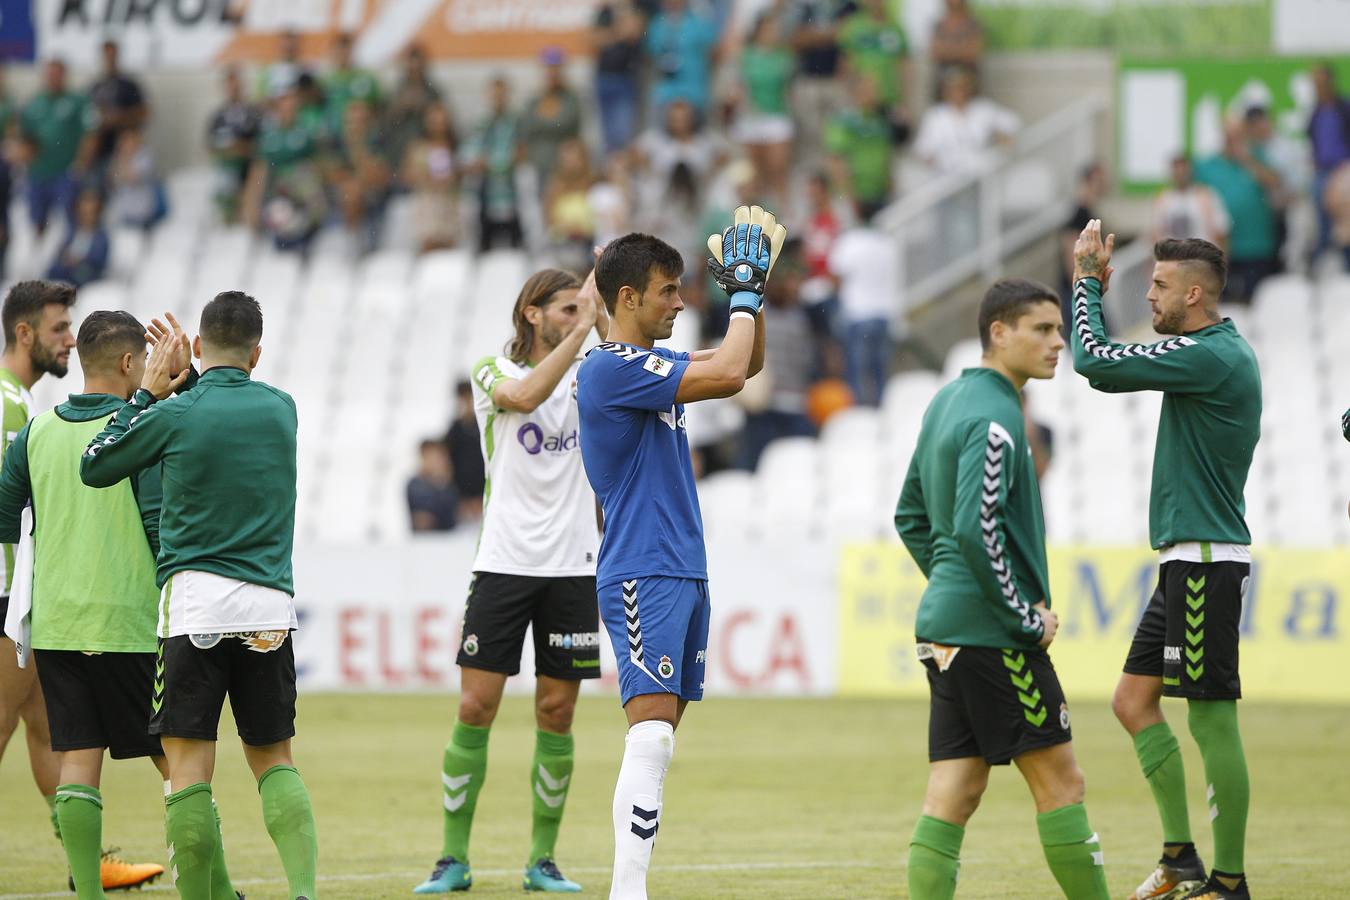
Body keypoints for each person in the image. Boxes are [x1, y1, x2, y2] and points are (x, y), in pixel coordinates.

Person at [80, 295, 318, 900]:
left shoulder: (176, 414)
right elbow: (230, 406)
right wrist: (196, 380)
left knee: (189, 772)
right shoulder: (282, 409)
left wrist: (153, 391)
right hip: (268, 608)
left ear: (199, 349)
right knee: (275, 760)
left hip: (195, 607)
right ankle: (305, 894)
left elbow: (97, 465)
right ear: (257, 353)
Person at [576, 211, 783, 899]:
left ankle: (631, 885)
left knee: (657, 744)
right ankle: (626, 892)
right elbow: (728, 371)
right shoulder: (609, 367)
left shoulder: (648, 364)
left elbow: (743, 365)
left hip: (680, 567)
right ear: (628, 298)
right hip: (642, 569)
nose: (679, 301)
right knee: (653, 738)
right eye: (667, 290)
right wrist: (743, 295)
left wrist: (753, 295)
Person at [893, 277, 1110, 900]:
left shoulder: (947, 402)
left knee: (955, 791)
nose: (1058, 342)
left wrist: (954, 590)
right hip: (993, 633)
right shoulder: (996, 419)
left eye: (1059, 329)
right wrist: (1023, 618)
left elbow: (910, 516)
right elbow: (974, 528)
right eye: (1042, 329)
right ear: (999, 333)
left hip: (944, 628)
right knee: (1062, 784)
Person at [0, 312, 226, 899]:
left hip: (58, 623)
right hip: (133, 623)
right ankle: (217, 891)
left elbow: (4, 518)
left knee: (76, 761)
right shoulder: (149, 428)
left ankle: (91, 894)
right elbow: (166, 521)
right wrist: (192, 380)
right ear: (132, 364)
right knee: (180, 768)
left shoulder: (37, 431)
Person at [1070, 223, 1260, 900]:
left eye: (1158, 284)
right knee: (1132, 701)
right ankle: (1180, 859)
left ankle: (1229, 882)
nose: (1148, 294)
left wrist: (1089, 280)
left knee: (1211, 718)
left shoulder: (1211, 355)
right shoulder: (1209, 352)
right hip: (1187, 558)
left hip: (1206, 560)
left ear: (1196, 293)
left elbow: (1094, 362)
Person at [413, 267, 610, 895]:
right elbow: (525, 399)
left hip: (574, 568)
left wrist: (600, 310)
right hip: (502, 564)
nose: (577, 317)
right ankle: (453, 859)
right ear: (533, 313)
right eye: (566, 308)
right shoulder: (492, 372)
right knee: (476, 707)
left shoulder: (592, 369)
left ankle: (542, 861)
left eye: (583, 308)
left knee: (557, 713)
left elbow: (630, 362)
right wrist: (586, 328)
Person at [1194, 124, 1279, 304]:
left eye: (1238, 136)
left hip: (1255, 247)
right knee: (1220, 303)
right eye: (1230, 136)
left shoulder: (1256, 159)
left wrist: (1248, 160)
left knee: (1257, 302)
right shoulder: (1208, 166)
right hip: (1220, 249)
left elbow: (1275, 183)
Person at [828, 200, 901, 407]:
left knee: (856, 376)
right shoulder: (887, 242)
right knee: (880, 375)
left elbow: (835, 279)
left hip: (858, 315)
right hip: (884, 314)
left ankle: (860, 424)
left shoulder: (850, 241)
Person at [19, 59, 93, 239]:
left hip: (65, 171)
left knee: (67, 219)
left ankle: (66, 257)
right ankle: (39, 256)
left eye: (57, 74)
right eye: (50, 74)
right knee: (36, 220)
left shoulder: (77, 101)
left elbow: (90, 134)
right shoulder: (34, 103)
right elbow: (23, 137)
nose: (53, 78)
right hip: (37, 171)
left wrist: (82, 163)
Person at [734, 11, 795, 206]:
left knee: (777, 169)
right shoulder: (746, 56)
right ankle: (755, 213)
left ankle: (783, 211)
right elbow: (739, 86)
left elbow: (788, 89)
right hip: (752, 116)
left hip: (776, 115)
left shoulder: (784, 57)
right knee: (754, 173)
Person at [913, 63, 1018, 176]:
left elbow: (1011, 122)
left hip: (980, 175)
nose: (958, 92)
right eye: (953, 87)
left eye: (961, 86)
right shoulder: (935, 115)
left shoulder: (983, 109)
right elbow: (923, 148)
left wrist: (1002, 135)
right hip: (947, 177)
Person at [463, 77, 524, 252]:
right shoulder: (482, 122)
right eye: (494, 95)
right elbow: (469, 153)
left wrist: (489, 163)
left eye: (501, 95)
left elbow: (517, 155)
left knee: (515, 245)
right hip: (486, 193)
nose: (497, 100)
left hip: (511, 193)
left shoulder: (516, 122)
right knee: (485, 245)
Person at [519, 48, 584, 190]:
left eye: (556, 69)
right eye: (549, 69)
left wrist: (543, 118)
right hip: (538, 165)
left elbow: (565, 123)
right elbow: (526, 127)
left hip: (564, 168)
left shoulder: (570, 99)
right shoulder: (535, 100)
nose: (552, 73)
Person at [403, 104, 462, 253]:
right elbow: (407, 175)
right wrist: (424, 175)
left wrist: (452, 175)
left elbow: (460, 175)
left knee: (447, 246)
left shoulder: (455, 146)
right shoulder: (418, 146)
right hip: (427, 200)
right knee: (428, 243)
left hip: (448, 200)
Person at [206, 67, 262, 224]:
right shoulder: (218, 116)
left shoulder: (254, 113)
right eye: (229, 86)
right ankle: (229, 218)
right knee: (225, 180)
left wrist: (240, 148)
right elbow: (210, 147)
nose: (233, 89)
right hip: (228, 169)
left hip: (250, 169)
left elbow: (261, 143)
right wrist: (228, 151)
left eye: (236, 85)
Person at [645, 0, 720, 116]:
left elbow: (714, 50)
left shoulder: (699, 21)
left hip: (694, 91)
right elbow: (650, 51)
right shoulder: (657, 23)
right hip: (665, 92)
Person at [86, 40, 148, 180]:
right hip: (101, 151)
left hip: (126, 152)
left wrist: (117, 118)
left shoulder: (129, 86)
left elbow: (144, 112)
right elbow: (87, 119)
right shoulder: (96, 87)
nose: (109, 59)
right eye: (107, 55)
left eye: (112, 55)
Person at [1309, 63, 1350, 268]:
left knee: (1345, 221)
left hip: (1343, 170)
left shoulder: (1343, 108)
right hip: (1322, 171)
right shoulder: (1316, 111)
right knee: (1321, 220)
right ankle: (1324, 257)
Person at [591, 1, 646, 155]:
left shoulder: (637, 8)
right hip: (603, 78)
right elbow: (593, 39)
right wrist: (619, 31)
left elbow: (635, 33)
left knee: (623, 133)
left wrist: (610, 34)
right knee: (604, 135)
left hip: (625, 80)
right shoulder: (605, 11)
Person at [1153, 155, 1230, 249]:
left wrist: (1223, 260)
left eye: (1183, 170)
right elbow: (1157, 233)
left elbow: (1221, 231)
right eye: (1177, 170)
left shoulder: (1207, 195)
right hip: (1174, 258)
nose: (1180, 174)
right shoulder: (1164, 199)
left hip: (1202, 258)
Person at [323, 31, 381, 137]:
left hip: (362, 134)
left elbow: (377, 105)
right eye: (339, 50)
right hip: (334, 134)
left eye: (346, 49)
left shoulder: (366, 78)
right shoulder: (326, 81)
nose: (343, 54)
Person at [47, 191, 110, 288]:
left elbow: (99, 261)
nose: (86, 216)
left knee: (81, 274)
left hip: (87, 272)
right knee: (54, 271)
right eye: (84, 213)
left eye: (90, 213)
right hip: (66, 270)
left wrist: (80, 260)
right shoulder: (72, 232)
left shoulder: (101, 237)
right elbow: (61, 253)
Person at [444, 381, 486, 524]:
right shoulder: (454, 429)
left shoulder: (484, 426)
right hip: (462, 501)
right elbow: (448, 463)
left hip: (484, 498)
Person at [407, 439, 458, 533]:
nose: (436, 462)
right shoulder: (414, 485)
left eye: (439, 457)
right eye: (431, 457)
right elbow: (421, 520)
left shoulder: (451, 485)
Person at [930, 0, 984, 76]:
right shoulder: (939, 25)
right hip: (943, 75)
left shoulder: (973, 24)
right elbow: (935, 53)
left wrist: (947, 50)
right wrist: (962, 50)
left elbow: (973, 53)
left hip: (968, 74)